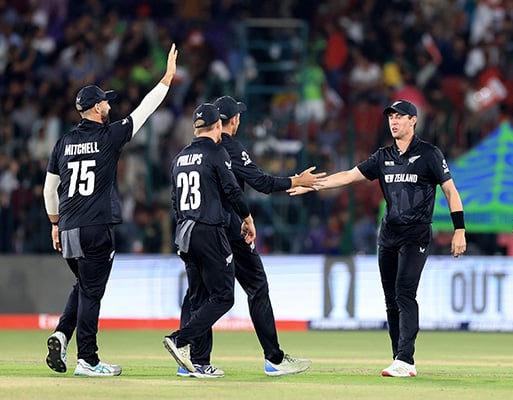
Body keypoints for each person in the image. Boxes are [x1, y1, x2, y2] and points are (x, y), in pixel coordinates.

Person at [288, 99, 467, 377]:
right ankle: (399, 358)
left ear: (413, 121)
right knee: (391, 300)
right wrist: (312, 186)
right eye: (391, 117)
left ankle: (406, 360)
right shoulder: (382, 156)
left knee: (405, 294)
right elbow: (349, 176)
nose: (394, 121)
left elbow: (451, 191)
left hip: (416, 234)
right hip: (388, 236)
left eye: (400, 117)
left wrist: (459, 229)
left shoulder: (430, 154)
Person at [42, 44, 178, 377]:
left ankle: (61, 333)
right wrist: (167, 79)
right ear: (94, 107)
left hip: (70, 226)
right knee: (92, 292)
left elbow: (49, 189)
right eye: (105, 101)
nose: (108, 104)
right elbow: (144, 112)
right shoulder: (108, 137)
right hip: (96, 225)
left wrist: (55, 224)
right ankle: (87, 360)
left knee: (83, 286)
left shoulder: (63, 143)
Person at [173, 95, 319, 378]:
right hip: (227, 231)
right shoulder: (227, 149)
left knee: (197, 294)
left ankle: (191, 360)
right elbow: (259, 183)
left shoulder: (189, 153)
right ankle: (274, 359)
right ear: (233, 120)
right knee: (255, 286)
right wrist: (295, 180)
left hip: (193, 229)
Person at [163, 103, 256, 377]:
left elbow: (174, 200)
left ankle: (199, 362)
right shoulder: (216, 151)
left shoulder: (179, 157)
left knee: (199, 296)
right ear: (217, 126)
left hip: (184, 231)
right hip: (208, 230)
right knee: (224, 296)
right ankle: (181, 340)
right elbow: (231, 189)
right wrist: (247, 219)